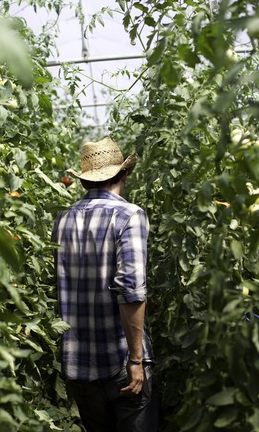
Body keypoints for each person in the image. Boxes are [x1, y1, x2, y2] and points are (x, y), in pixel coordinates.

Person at [51, 137, 158, 432]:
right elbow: (131, 290)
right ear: (124, 175)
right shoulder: (129, 216)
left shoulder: (62, 220)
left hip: (79, 367)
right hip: (121, 365)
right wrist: (136, 359)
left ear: (85, 181)